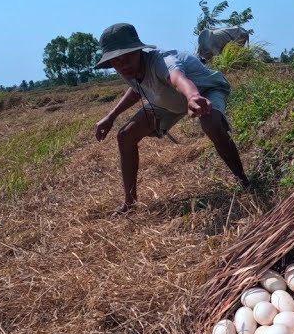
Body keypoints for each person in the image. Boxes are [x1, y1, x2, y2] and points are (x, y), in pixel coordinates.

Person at [92, 23, 248, 213]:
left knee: (211, 123)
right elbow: (136, 89)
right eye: (116, 60)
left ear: (139, 51)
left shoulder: (163, 61)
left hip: (205, 90)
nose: (123, 64)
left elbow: (177, 78)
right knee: (125, 135)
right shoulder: (128, 70)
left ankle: (245, 182)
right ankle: (129, 203)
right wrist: (111, 116)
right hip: (168, 101)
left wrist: (192, 97)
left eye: (128, 56)